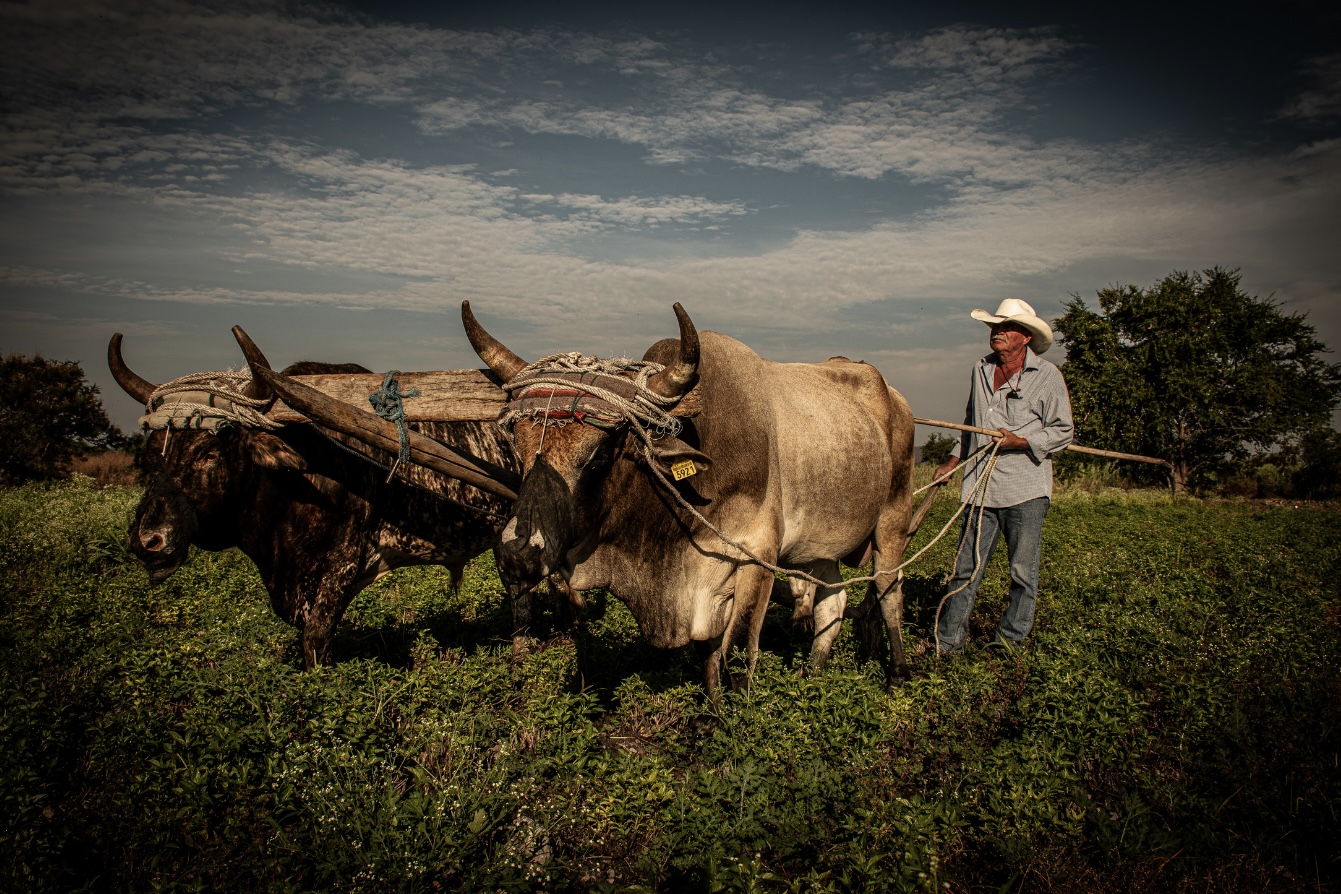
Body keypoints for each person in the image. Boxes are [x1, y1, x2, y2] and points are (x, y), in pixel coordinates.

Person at [934, 298, 1073, 653]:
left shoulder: (1048, 376)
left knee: (1022, 573)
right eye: (996, 326)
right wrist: (951, 463)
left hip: (1025, 489)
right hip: (980, 487)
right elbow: (970, 422)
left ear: (1025, 337)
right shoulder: (980, 369)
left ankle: (1008, 644)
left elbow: (1063, 431)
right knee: (965, 569)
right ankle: (948, 643)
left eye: (1007, 327)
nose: (998, 332)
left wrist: (1021, 441)